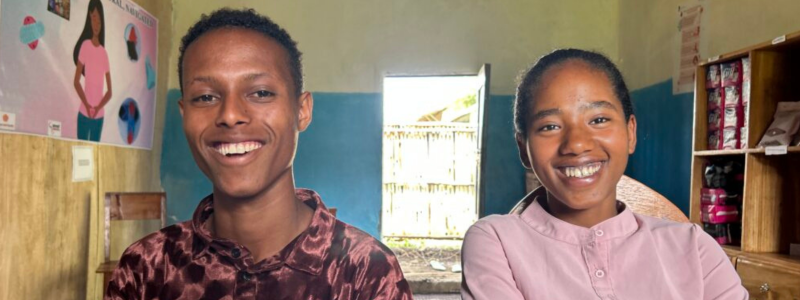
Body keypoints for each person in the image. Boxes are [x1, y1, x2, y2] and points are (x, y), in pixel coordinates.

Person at [106, 8, 412, 300]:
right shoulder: (146, 269)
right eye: (205, 96)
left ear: (302, 111)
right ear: (184, 114)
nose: (229, 114)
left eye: (261, 93)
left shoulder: (365, 273)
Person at [461, 49, 748, 300]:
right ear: (523, 148)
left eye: (598, 120)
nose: (576, 143)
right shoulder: (496, 242)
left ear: (630, 133)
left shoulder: (693, 247)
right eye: (549, 126)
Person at [73, 0, 111, 141]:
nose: (96, 24)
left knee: (94, 155)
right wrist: (88, 105)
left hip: (99, 117)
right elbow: (76, 82)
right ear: (89, 18)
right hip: (84, 113)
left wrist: (97, 107)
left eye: (99, 20)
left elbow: (109, 92)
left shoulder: (104, 53)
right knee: (80, 153)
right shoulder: (85, 46)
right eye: (94, 18)